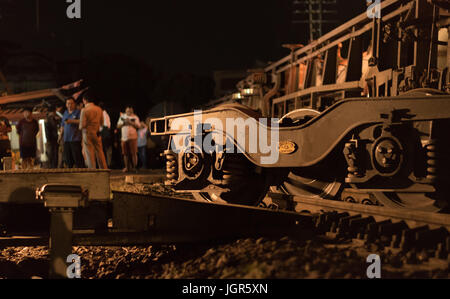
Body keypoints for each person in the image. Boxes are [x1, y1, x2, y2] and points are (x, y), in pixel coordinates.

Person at [79, 92, 108, 169]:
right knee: (100, 151)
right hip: (97, 132)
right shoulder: (99, 109)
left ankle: (92, 170)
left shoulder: (84, 110)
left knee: (89, 153)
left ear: (84, 100)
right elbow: (102, 123)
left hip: (87, 133)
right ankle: (104, 169)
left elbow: (82, 125)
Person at [61, 98, 84, 168]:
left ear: (74, 104)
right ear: (66, 105)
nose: (70, 105)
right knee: (68, 159)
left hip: (75, 139)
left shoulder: (78, 112)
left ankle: (81, 173)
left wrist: (71, 121)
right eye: (68, 103)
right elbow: (62, 125)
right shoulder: (65, 113)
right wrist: (60, 136)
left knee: (77, 158)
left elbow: (81, 121)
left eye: (71, 103)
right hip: (66, 140)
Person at [117, 107, 140, 172]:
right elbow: (118, 126)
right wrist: (124, 123)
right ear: (125, 111)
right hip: (124, 138)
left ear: (132, 111)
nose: (129, 112)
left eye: (130, 111)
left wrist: (130, 122)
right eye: (127, 111)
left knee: (134, 153)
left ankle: (135, 167)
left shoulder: (135, 117)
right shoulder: (122, 117)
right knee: (125, 154)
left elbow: (138, 126)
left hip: (133, 137)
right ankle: (127, 167)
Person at [98, 102, 112, 168]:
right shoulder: (106, 114)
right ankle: (106, 164)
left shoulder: (103, 113)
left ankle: (106, 165)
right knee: (106, 150)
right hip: (106, 132)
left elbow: (105, 125)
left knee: (104, 149)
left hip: (104, 133)